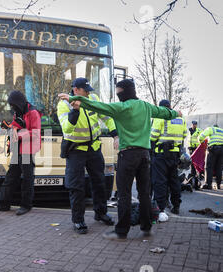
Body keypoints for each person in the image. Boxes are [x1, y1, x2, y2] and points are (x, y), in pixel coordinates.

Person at [59, 79, 182, 240]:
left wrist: (78, 100)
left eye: (118, 91)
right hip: (144, 155)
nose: (117, 95)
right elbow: (164, 112)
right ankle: (146, 227)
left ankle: (121, 230)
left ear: (123, 92)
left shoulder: (121, 107)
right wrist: (176, 113)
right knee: (144, 193)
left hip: (126, 155)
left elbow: (99, 107)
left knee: (123, 194)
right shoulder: (146, 106)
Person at [55, 78, 116, 234]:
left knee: (99, 182)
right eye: (85, 90)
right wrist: (74, 110)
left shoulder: (92, 99)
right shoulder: (63, 105)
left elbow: (107, 116)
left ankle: (101, 213)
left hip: (94, 148)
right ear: (76, 90)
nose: (89, 93)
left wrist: (115, 134)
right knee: (76, 186)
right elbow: (67, 129)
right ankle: (78, 220)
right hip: (76, 151)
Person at [0, 90, 41, 216]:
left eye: (13, 105)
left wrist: (18, 134)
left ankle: (26, 205)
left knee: (27, 179)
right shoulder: (19, 112)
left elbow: (35, 133)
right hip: (18, 149)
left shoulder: (33, 113)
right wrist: (10, 129)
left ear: (18, 103)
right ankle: (2, 205)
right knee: (10, 178)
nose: (12, 108)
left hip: (28, 150)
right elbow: (15, 125)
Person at [150, 99, 187, 215]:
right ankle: (176, 206)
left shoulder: (160, 117)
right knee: (174, 181)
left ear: (161, 108)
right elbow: (184, 135)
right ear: (170, 106)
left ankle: (160, 209)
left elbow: (153, 136)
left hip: (161, 155)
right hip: (175, 155)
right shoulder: (181, 119)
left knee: (160, 181)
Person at [199, 124, 223, 189]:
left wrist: (201, 142)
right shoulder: (221, 131)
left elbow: (201, 137)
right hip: (221, 150)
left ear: (213, 127)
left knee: (208, 167)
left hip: (213, 149)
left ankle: (208, 185)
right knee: (219, 168)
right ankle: (218, 185)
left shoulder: (210, 129)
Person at [188, 120, 203, 189]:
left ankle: (197, 180)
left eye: (195, 124)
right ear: (191, 124)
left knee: (196, 163)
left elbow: (202, 138)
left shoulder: (199, 131)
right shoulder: (188, 131)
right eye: (193, 124)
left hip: (196, 149)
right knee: (191, 163)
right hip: (190, 149)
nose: (194, 125)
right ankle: (192, 179)